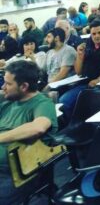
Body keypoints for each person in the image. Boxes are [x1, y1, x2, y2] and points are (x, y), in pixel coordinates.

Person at [0, 60, 57, 205]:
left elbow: (38, 127)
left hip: (17, 172)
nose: (3, 87)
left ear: (24, 86)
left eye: (8, 84)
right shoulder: (8, 101)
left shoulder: (42, 104)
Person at [59, 19, 100, 118]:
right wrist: (80, 55)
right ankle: (74, 123)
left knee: (89, 104)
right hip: (85, 83)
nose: (96, 36)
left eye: (99, 33)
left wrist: (99, 79)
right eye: (93, 34)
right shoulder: (87, 47)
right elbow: (78, 72)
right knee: (63, 101)